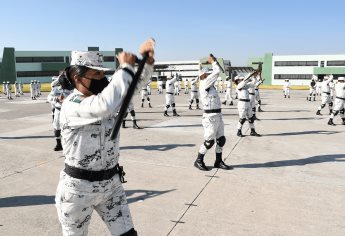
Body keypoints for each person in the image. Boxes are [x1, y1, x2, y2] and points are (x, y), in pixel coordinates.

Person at [55, 39, 154, 236]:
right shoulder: (73, 105)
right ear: (77, 77)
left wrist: (146, 63)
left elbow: (134, 85)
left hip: (111, 185)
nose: (102, 78)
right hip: (78, 190)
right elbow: (103, 106)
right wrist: (124, 67)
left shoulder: (104, 97)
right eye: (96, 74)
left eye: (103, 73)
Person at [194, 57, 233, 171]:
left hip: (218, 116)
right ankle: (199, 160)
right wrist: (214, 62)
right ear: (203, 75)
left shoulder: (211, 87)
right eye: (207, 74)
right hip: (210, 118)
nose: (209, 76)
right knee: (209, 142)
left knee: (221, 140)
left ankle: (218, 161)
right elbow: (216, 72)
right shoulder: (204, 83)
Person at [47, 72, 73, 151]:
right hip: (58, 110)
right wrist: (57, 98)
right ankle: (58, 143)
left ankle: (70, 144)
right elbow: (49, 97)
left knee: (70, 127)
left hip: (69, 111)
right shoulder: (56, 89)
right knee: (57, 127)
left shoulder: (73, 90)